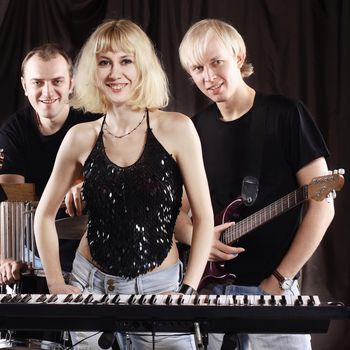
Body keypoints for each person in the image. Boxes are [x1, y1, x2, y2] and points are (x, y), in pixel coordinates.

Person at [33, 19, 214, 350]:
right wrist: (56, 283)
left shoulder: (177, 129)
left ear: (142, 66)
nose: (115, 73)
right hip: (90, 283)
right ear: (93, 71)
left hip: (161, 289)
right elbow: (43, 216)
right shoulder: (80, 137)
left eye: (126, 60)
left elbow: (204, 218)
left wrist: (188, 290)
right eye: (104, 62)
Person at [178, 19, 334, 350]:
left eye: (216, 61)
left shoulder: (286, 114)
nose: (208, 76)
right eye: (197, 68)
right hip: (212, 293)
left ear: (238, 56)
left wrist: (280, 279)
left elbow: (323, 205)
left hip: (273, 291)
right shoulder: (194, 129)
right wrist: (196, 237)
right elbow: (177, 214)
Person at [0, 43, 100, 287]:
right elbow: (12, 203)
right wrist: (5, 258)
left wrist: (89, 182)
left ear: (71, 83)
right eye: (37, 82)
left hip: (94, 249)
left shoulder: (93, 123)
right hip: (36, 249)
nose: (48, 91)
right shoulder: (14, 133)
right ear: (25, 86)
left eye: (57, 81)